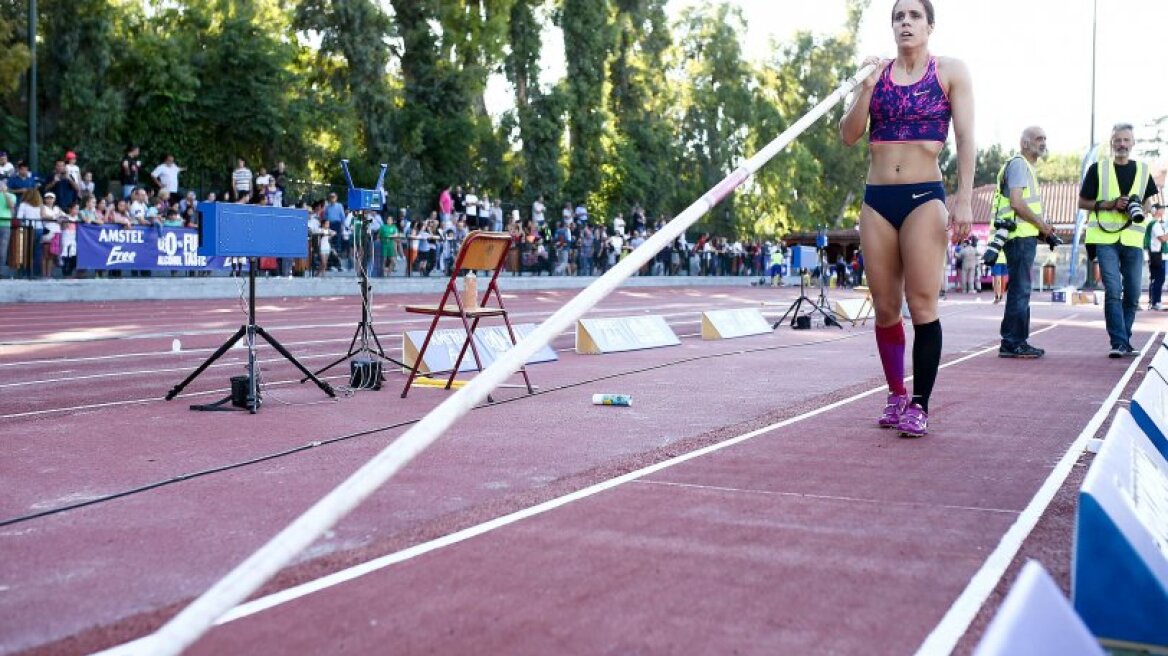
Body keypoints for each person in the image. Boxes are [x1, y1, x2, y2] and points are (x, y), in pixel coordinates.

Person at [839, 0, 974, 438]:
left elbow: (967, 137)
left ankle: (921, 403)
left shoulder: (950, 70)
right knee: (884, 307)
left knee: (921, 304)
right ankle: (897, 393)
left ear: (930, 26)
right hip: (877, 199)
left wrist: (965, 199)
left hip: (923, 197)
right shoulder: (875, 75)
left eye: (914, 16)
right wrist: (865, 87)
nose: (906, 23)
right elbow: (848, 134)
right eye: (898, 17)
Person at [1077, 123, 1159, 358]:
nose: (1122, 144)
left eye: (1126, 140)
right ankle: (1119, 342)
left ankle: (1124, 338)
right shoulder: (1097, 169)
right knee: (1113, 289)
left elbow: (1148, 203)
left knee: (1133, 294)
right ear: (1111, 142)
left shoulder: (1144, 171)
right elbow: (1083, 202)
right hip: (1104, 238)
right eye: (1118, 140)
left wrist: (1141, 206)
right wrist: (1109, 204)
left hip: (1133, 239)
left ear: (1133, 143)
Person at [997, 126, 1055, 358]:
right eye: (1038, 138)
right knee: (1021, 290)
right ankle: (1013, 342)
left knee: (1020, 289)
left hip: (1022, 236)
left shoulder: (1024, 167)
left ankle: (1014, 340)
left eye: (1044, 138)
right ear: (1025, 143)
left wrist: (1041, 229)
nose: (1042, 142)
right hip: (1019, 238)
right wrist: (1042, 226)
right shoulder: (1020, 164)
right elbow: (1017, 203)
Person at [1145, 203, 1166, 311]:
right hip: (1156, 254)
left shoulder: (1153, 223)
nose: (1163, 211)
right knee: (1159, 278)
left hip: (1154, 254)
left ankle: (1153, 301)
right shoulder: (1155, 224)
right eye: (1162, 209)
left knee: (1155, 278)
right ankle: (1155, 301)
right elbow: (1162, 238)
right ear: (1157, 210)